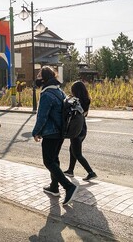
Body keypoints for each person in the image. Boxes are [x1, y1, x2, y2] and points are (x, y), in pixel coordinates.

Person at [32, 66, 78, 206]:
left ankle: (68, 187)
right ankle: (54, 187)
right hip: (61, 131)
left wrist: (36, 132)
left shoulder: (46, 94)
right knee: (54, 159)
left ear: (43, 78)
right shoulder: (60, 92)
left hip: (51, 133)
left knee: (48, 161)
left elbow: (42, 116)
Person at [63, 81, 97, 181]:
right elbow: (85, 114)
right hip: (83, 128)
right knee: (72, 149)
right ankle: (70, 170)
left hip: (76, 129)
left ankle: (91, 172)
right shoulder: (86, 100)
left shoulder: (75, 101)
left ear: (75, 91)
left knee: (77, 153)